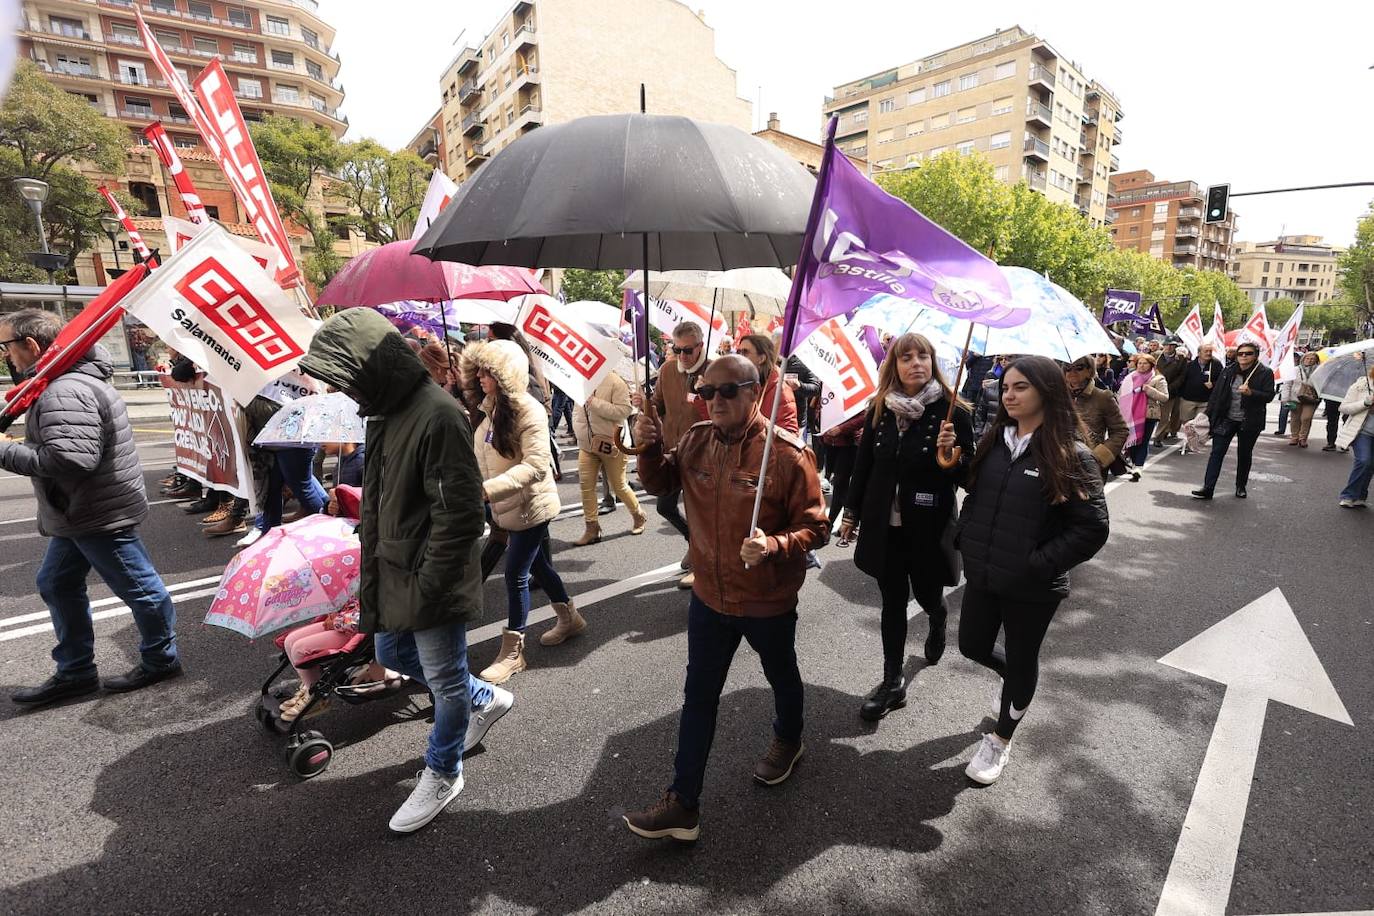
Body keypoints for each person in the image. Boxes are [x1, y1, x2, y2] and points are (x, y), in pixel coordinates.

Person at [298, 308, 510, 835]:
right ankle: (484, 697)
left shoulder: (437, 414)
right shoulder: (386, 412)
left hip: (427, 579)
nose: (344, 391)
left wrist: (428, 586)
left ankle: (444, 770)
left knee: (442, 679)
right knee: (392, 653)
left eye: (347, 377)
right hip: (394, 570)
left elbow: (460, 517)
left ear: (373, 366)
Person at [622, 354, 828, 842]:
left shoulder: (787, 453)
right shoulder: (694, 439)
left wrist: (775, 544)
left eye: (726, 391)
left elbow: (817, 526)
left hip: (766, 600)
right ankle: (683, 803)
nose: (713, 400)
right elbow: (663, 485)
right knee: (699, 696)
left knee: (782, 675)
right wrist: (649, 451)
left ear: (755, 392)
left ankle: (790, 737)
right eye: (705, 391)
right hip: (709, 598)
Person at [0, 309, 181, 705]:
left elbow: (70, 459)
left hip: (96, 512)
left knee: (140, 589)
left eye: (7, 346)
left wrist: (7, 452)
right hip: (81, 510)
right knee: (57, 583)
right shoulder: (62, 382)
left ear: (31, 345)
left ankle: (160, 659)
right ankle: (76, 671)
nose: (6, 356)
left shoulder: (65, 389)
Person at [956, 356, 1110, 785]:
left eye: (1021, 386)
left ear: (1046, 391)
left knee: (1023, 659)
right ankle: (1015, 682)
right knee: (971, 646)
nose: (1009, 394)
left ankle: (1001, 739)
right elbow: (976, 493)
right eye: (1006, 386)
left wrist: (1036, 564)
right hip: (985, 571)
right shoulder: (995, 440)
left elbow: (1092, 529)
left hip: (1032, 587)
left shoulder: (1071, 454)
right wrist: (965, 535)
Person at [839, 334, 974, 722]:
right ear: (893, 365)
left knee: (929, 594)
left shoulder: (954, 412)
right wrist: (850, 513)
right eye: (906, 357)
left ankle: (938, 617)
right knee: (892, 601)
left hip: (928, 527)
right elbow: (864, 464)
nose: (915, 363)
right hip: (886, 526)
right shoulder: (880, 408)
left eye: (923, 356)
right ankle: (892, 681)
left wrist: (951, 455)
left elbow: (969, 479)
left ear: (933, 362)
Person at [463, 340, 580, 682]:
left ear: (505, 374)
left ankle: (513, 652)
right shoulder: (488, 409)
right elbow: (482, 459)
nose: (482, 377)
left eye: (489, 371)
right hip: (503, 507)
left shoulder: (528, 410)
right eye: (478, 370)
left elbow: (536, 466)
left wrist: (486, 490)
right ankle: (570, 618)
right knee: (539, 567)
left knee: (516, 572)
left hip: (530, 505)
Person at [649, 321, 711, 589]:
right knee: (665, 506)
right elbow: (658, 404)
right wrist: (645, 404)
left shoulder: (715, 371)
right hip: (673, 451)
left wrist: (706, 391)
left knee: (700, 514)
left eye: (688, 351)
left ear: (700, 347)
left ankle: (702, 564)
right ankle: (694, 544)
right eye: (677, 349)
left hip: (704, 454)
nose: (682, 356)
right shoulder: (666, 370)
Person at [571, 367, 648, 545]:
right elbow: (576, 411)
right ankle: (592, 527)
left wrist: (594, 403)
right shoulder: (579, 382)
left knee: (618, 485)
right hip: (587, 445)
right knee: (586, 485)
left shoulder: (615, 381)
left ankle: (638, 515)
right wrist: (578, 431)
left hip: (613, 443)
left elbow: (624, 411)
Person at [1192, 341, 1276, 500]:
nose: (1243, 356)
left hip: (1249, 420)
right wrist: (1207, 415)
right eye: (1240, 353)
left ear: (1256, 355)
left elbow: (1269, 396)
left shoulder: (1264, 372)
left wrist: (1251, 393)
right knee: (1216, 453)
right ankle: (1208, 488)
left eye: (1248, 353)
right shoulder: (1228, 370)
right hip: (1226, 419)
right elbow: (1216, 395)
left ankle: (1240, 486)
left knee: (1244, 454)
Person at [1063, 357, 1128, 477]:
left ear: (1090, 370)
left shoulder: (1103, 397)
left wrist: (1098, 457)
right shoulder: (1057, 396)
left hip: (1089, 468)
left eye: (1079, 367)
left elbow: (1120, 431)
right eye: (1067, 368)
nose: (1072, 372)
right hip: (1060, 464)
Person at [736, 333, 799, 435]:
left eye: (745, 352)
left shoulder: (780, 390)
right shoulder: (739, 385)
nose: (740, 357)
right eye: (738, 352)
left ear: (761, 358)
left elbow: (789, 436)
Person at [1118, 352, 1170, 468]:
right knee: (1131, 441)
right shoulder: (1129, 378)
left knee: (1143, 441)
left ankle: (1138, 466)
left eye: (1145, 363)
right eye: (1139, 363)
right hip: (1130, 414)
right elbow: (1121, 395)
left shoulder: (1158, 379)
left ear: (1151, 365)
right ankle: (1133, 462)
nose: (1141, 366)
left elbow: (1165, 397)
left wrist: (1149, 390)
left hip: (1148, 414)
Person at [1337, 362, 1374, 507]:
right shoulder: (1362, 384)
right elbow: (1344, 407)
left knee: (1371, 465)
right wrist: (1365, 403)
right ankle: (1349, 495)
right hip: (1362, 432)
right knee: (1364, 461)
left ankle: (1360, 495)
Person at [1176, 344, 1225, 455]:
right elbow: (1182, 380)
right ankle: (1190, 440)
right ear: (1199, 353)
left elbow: (1222, 381)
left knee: (1198, 423)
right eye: (1206, 351)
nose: (1208, 353)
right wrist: (1180, 394)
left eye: (1210, 351)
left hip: (1205, 400)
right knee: (1187, 423)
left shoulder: (1216, 365)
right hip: (1188, 399)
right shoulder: (1190, 365)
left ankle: (1192, 444)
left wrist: (1213, 384)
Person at [1281, 351, 1322, 448]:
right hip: (1295, 397)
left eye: (1312, 359)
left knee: (1306, 418)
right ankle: (1294, 437)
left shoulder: (1319, 371)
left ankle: (1303, 438)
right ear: (1303, 359)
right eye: (1307, 358)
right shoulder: (1295, 370)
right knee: (1295, 418)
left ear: (1316, 361)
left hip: (1311, 399)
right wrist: (1285, 399)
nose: (1309, 361)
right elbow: (1287, 384)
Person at [1153, 339, 1190, 445]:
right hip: (1154, 388)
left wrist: (1171, 387)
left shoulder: (1181, 358)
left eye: (1171, 345)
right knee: (1150, 414)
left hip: (1171, 391)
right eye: (1166, 345)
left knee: (1165, 416)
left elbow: (1182, 376)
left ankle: (1158, 437)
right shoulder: (1156, 356)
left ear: (1175, 347)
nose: (1168, 347)